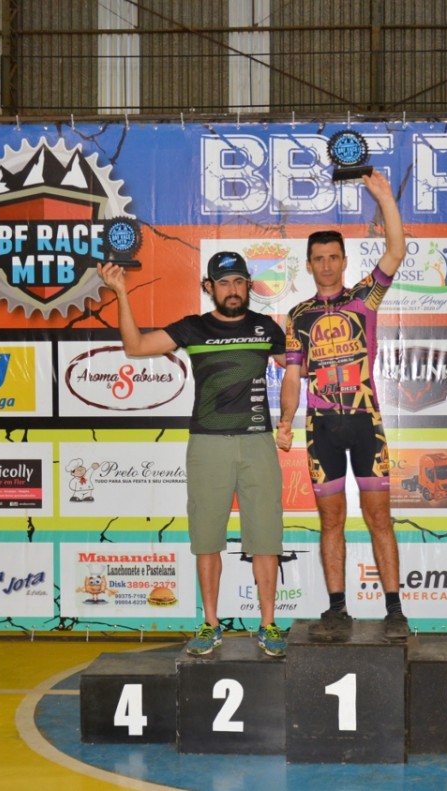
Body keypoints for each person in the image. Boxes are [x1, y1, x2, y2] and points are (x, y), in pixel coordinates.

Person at [97, 251, 288, 658]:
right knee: (206, 539)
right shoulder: (193, 327)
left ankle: (268, 624)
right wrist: (121, 294)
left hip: (258, 442)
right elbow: (135, 346)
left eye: (239, 282)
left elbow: (299, 366)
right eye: (224, 282)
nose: (232, 290)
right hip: (207, 445)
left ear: (249, 286)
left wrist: (291, 416)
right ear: (209, 287)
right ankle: (210, 624)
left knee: (266, 539)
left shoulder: (267, 327)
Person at [277, 170, 409, 643]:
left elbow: (396, 251)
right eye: (319, 259)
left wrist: (385, 198)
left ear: (344, 261)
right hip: (322, 429)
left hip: (365, 422)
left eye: (334, 257)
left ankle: (395, 610)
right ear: (309, 265)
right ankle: (337, 609)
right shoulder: (298, 315)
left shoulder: (363, 299)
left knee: (379, 519)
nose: (327, 265)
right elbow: (292, 373)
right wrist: (284, 421)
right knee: (331, 521)